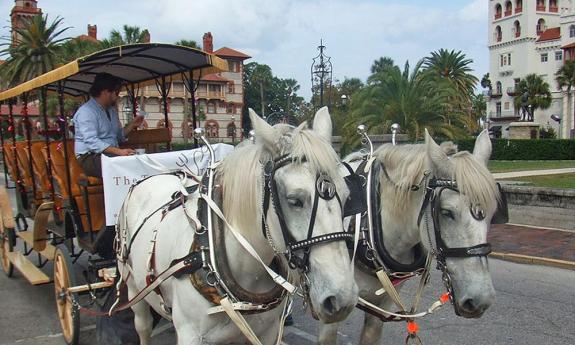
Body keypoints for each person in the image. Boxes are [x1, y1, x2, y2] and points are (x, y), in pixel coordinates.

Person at [74, 72, 144, 178]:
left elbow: (117, 137)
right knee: (124, 166)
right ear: (106, 92)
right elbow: (92, 142)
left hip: (110, 154)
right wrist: (120, 152)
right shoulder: (86, 111)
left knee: (139, 161)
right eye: (116, 93)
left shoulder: (111, 110)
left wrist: (132, 124)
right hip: (89, 157)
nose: (117, 97)